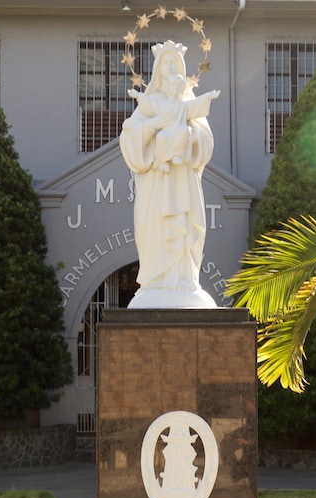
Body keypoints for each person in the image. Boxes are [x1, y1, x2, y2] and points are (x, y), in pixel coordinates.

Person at [119, 40, 221, 308]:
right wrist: (155, 124)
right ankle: (157, 281)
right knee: (155, 227)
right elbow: (130, 135)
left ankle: (184, 281)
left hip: (182, 178)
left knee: (185, 226)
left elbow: (206, 140)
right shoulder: (150, 103)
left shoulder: (186, 103)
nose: (171, 66)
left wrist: (188, 135)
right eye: (166, 62)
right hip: (157, 180)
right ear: (158, 69)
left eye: (175, 63)